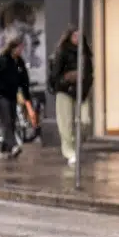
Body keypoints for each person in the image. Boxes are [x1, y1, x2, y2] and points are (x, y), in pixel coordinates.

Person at [0, 36, 34, 159]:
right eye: (19, 47)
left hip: (12, 94)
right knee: (6, 120)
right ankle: (14, 145)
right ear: (13, 48)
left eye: (22, 48)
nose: (21, 50)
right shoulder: (2, 60)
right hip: (0, 94)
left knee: (12, 121)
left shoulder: (19, 62)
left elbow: (24, 81)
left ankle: (5, 149)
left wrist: (27, 98)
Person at [49, 27, 93, 166]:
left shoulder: (85, 53)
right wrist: (66, 78)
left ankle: (76, 143)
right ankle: (69, 152)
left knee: (85, 121)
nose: (77, 38)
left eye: (80, 36)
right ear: (69, 37)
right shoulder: (62, 52)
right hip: (65, 90)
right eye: (75, 36)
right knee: (65, 123)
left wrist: (86, 83)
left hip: (81, 91)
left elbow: (89, 73)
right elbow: (54, 76)